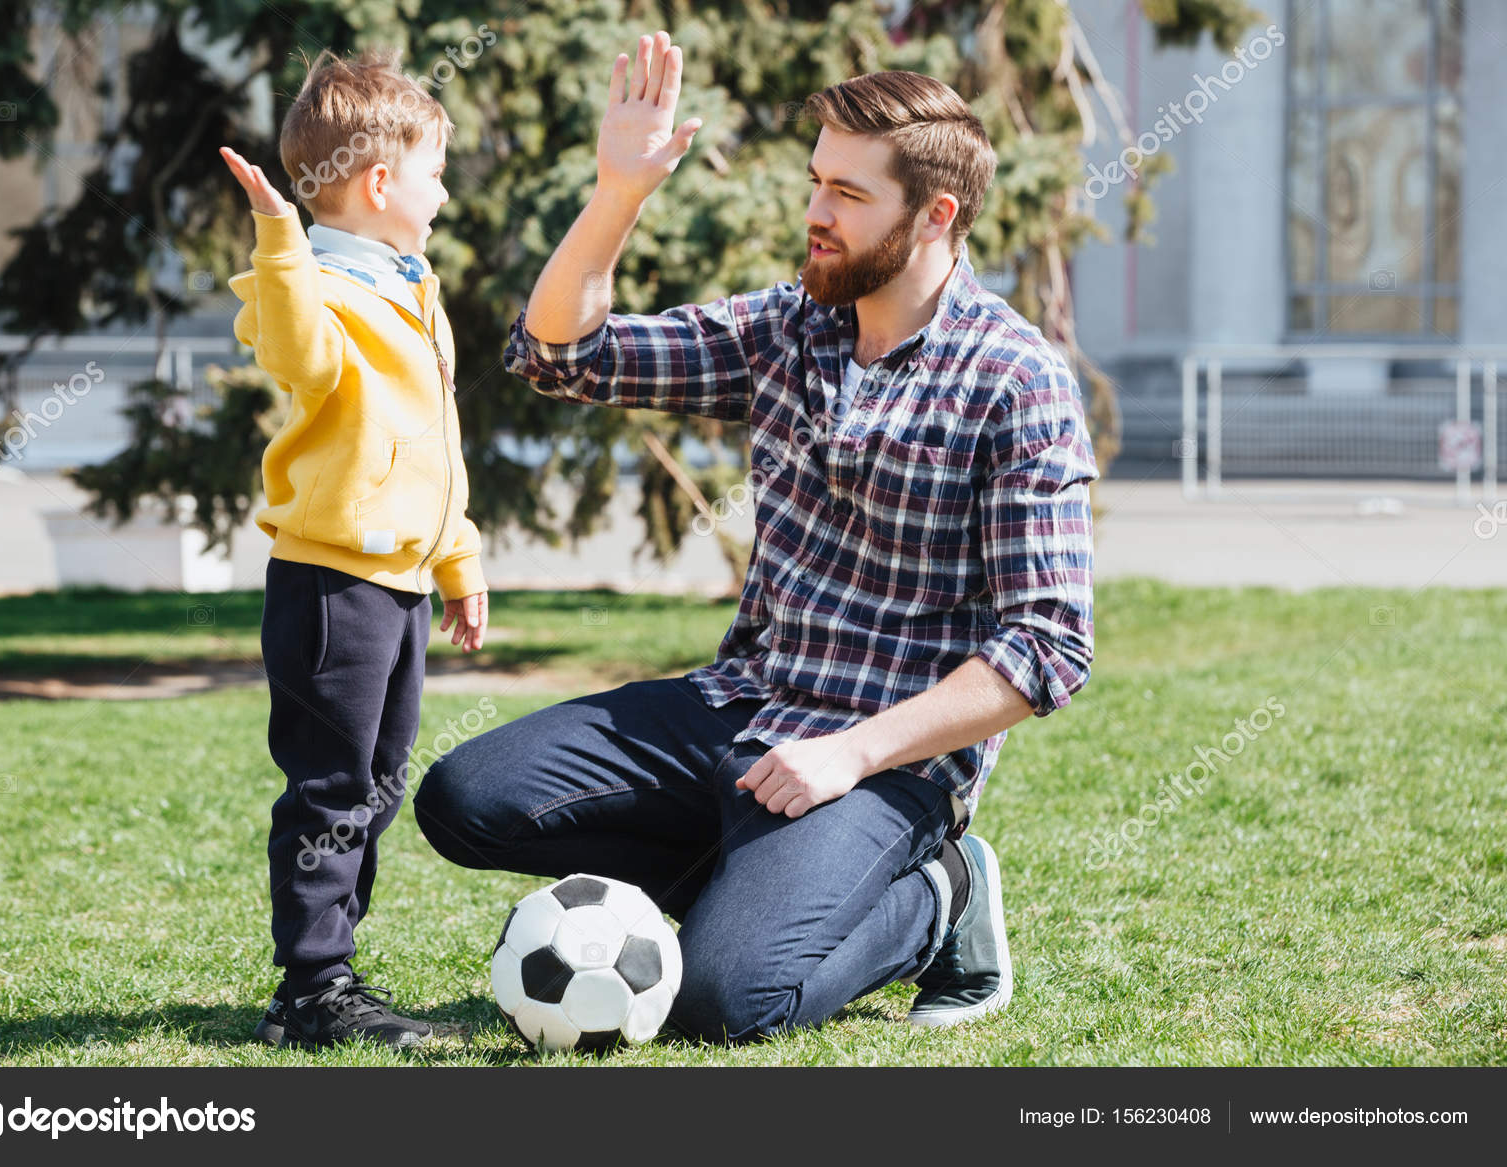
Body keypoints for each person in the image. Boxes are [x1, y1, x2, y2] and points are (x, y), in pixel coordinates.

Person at [415, 32, 1096, 1043]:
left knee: (727, 1002)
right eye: (816, 182)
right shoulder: (790, 328)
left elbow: (1046, 650)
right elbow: (562, 354)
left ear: (936, 215)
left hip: (880, 759)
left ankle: (936, 900)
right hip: (739, 709)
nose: (815, 213)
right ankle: (750, 885)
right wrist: (619, 190)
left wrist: (849, 756)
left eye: (850, 195)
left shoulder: (1014, 380)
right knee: (465, 799)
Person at [220, 49, 489, 1050]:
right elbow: (299, 356)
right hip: (335, 584)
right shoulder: (315, 287)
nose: (445, 189)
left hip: (399, 581)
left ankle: (332, 970)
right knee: (333, 789)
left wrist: (455, 558)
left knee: (373, 787)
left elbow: (433, 451)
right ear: (380, 185)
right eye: (435, 171)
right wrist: (280, 245)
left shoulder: (411, 288)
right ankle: (312, 989)